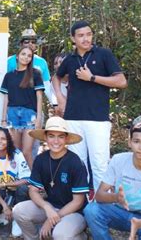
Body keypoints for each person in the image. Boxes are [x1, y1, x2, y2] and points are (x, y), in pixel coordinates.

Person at [52, 20, 127, 193]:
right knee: (78, 164)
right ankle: (81, 204)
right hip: (73, 118)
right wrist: (60, 97)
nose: (86, 39)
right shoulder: (70, 59)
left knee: (99, 164)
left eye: (88, 34)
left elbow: (121, 81)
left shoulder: (103, 54)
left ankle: (103, 207)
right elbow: (57, 77)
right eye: (81, 35)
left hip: (97, 119)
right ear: (73, 38)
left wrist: (92, 78)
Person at [84, 122, 141, 240]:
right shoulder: (118, 160)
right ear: (129, 142)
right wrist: (116, 198)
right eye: (136, 141)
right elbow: (99, 196)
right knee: (91, 210)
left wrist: (140, 223)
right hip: (120, 213)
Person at [13, 116, 89, 240]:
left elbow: (78, 201)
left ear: (66, 139)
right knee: (19, 211)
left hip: (74, 212)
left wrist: (51, 220)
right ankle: (35, 238)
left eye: (61, 136)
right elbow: (33, 190)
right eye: (51, 136)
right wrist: (47, 207)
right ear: (45, 138)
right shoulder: (41, 159)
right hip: (51, 206)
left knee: (59, 235)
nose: (56, 141)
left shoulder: (75, 162)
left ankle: (80, 236)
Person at [0, 127, 30, 238]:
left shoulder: (17, 154)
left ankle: (18, 216)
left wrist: (6, 184)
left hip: (17, 189)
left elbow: (26, 179)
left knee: (23, 188)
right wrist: (4, 206)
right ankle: (6, 208)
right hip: (2, 191)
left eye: (3, 139)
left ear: (8, 140)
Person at [0, 46, 44, 168]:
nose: (26, 57)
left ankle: (35, 181)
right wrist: (4, 119)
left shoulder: (35, 74)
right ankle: (20, 180)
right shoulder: (9, 76)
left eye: (29, 56)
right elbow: (6, 98)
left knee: (26, 151)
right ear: (17, 56)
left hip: (29, 116)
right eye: (23, 54)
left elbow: (39, 97)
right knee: (16, 151)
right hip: (12, 115)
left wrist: (39, 118)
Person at [7, 28, 54, 106]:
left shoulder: (42, 62)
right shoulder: (9, 61)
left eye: (33, 42)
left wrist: (54, 104)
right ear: (21, 44)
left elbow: (47, 86)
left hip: (34, 106)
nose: (30, 44)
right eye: (26, 41)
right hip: (13, 106)